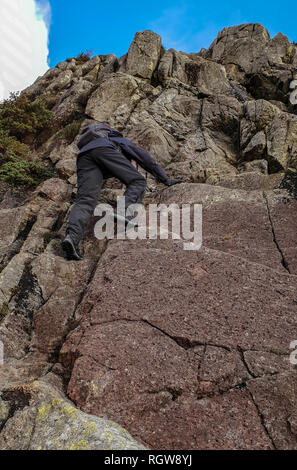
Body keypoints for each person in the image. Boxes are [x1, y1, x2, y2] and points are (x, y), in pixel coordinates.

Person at [62, 122, 184, 260]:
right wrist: (165, 179)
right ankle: (124, 212)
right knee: (138, 181)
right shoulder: (115, 139)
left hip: (83, 158)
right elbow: (145, 157)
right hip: (103, 150)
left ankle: (71, 238)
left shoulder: (89, 145)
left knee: (84, 201)